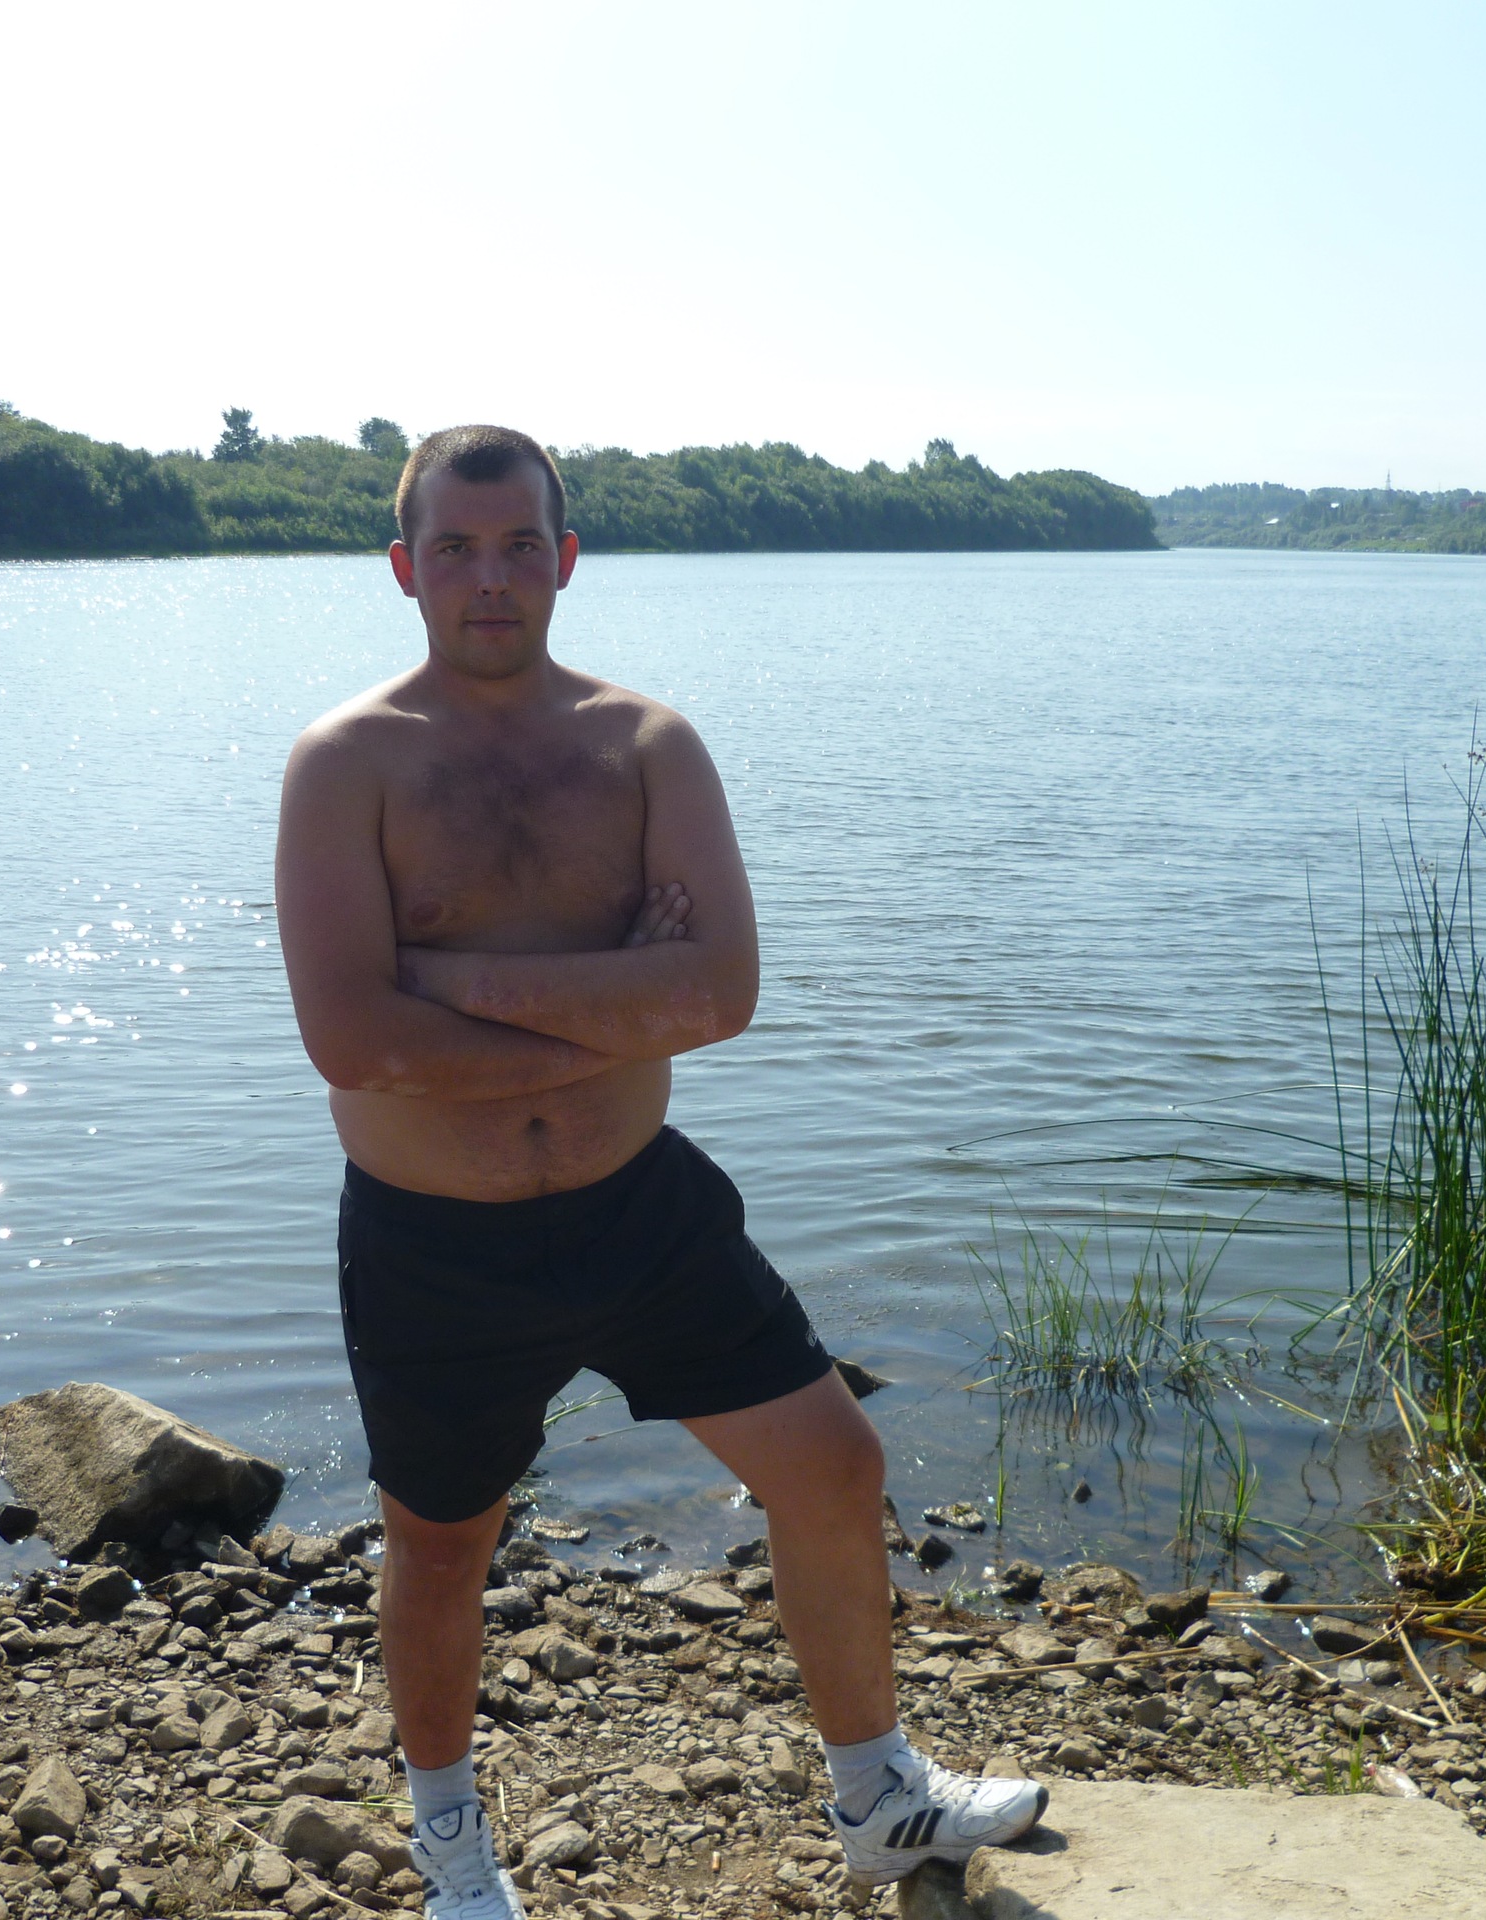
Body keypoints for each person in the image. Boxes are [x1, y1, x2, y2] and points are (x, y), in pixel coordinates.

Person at [274, 426, 1046, 1918]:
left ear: (565, 559)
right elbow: (355, 1041)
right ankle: (454, 1860)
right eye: (455, 549)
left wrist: (458, 984)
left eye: (519, 546)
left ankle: (879, 1797)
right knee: (442, 1545)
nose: (490, 579)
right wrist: (609, 1004)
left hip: (641, 1211)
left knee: (833, 1465)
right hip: (437, 1243)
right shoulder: (347, 765)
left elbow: (722, 992)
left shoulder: (646, 748)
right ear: (403, 569)